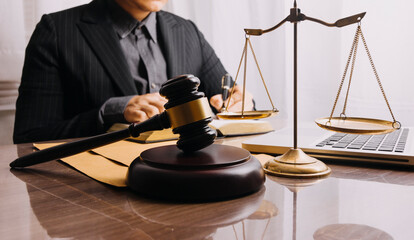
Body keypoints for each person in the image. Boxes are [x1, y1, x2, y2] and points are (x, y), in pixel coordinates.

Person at [13, 0, 253, 144]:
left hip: (188, 185)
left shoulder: (187, 31)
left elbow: (227, 97)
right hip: (98, 204)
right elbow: (29, 137)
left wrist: (240, 103)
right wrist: (110, 113)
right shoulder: (56, 31)